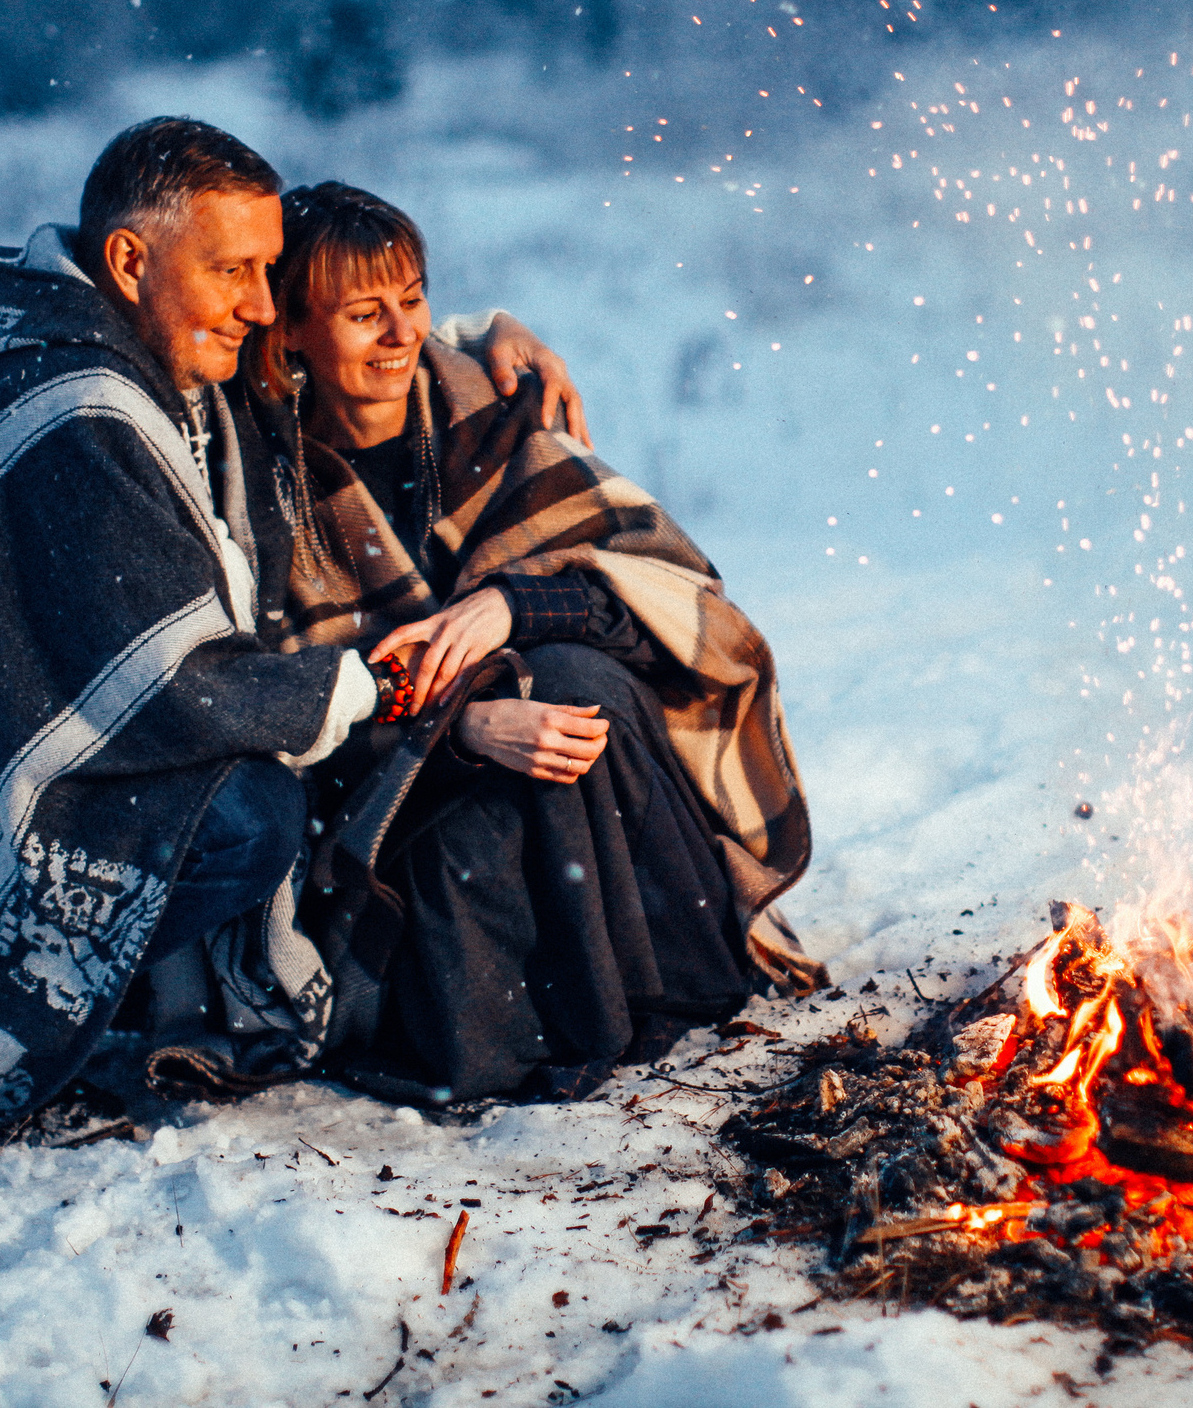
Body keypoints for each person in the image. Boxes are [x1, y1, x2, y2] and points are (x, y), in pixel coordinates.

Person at [0, 119, 583, 1214]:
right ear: (131, 261)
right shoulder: (72, 409)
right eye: (234, 271)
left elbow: (302, 363)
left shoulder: (132, 347)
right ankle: (31, 1055)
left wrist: (474, 332)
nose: (263, 305)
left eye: (270, 271)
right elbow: (168, 681)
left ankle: (105, 1009)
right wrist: (367, 684)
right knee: (243, 816)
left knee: (247, 803)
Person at [160, 180, 824, 1108]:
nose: (400, 334)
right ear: (293, 331)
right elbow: (282, 701)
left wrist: (511, 607)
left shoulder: (487, 411)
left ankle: (667, 982)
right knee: (482, 823)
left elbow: (665, 596)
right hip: (388, 800)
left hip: (556, 725)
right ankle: (554, 1022)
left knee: (577, 677)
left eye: (413, 300)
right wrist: (461, 725)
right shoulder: (263, 490)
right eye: (363, 313)